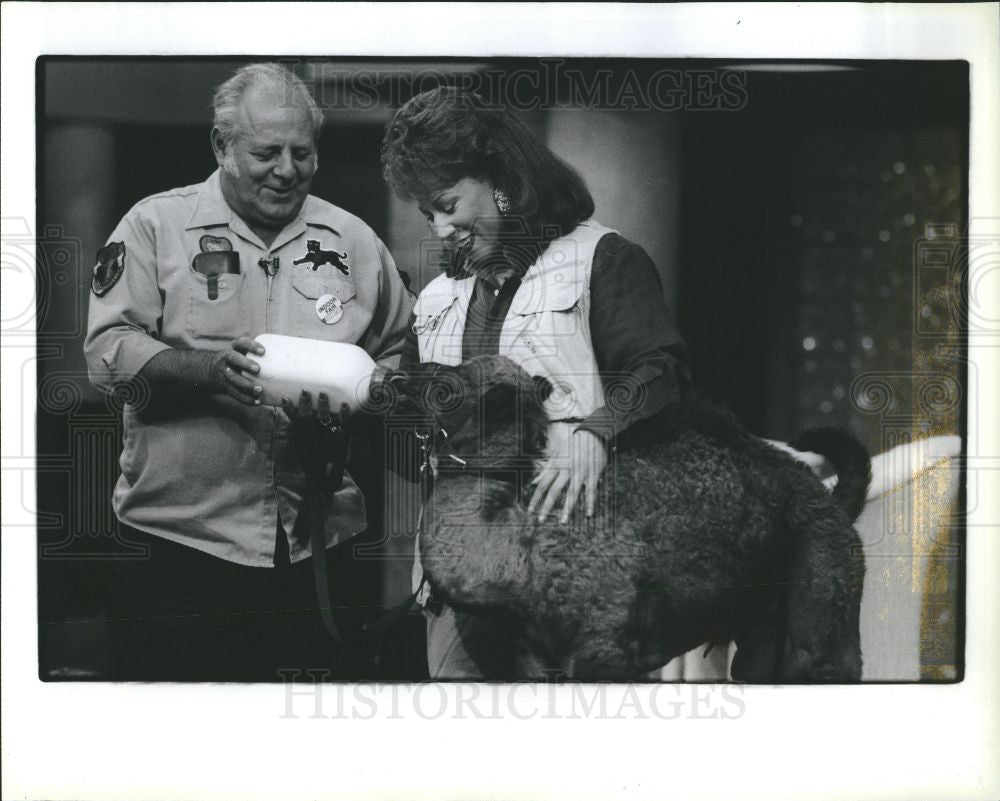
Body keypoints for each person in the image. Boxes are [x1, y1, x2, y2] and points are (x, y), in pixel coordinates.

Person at [84, 63, 413, 680]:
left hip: (320, 549)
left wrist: (370, 397)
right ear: (222, 146)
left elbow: (400, 349)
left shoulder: (355, 240)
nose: (286, 170)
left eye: (302, 152)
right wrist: (206, 369)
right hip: (178, 552)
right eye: (266, 152)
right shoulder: (156, 226)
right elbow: (107, 351)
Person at [379, 87, 693, 679]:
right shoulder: (440, 300)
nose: (441, 228)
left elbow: (662, 374)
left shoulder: (602, 259)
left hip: (577, 577)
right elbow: (412, 452)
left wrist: (598, 431)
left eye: (448, 204)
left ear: (501, 178)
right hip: (464, 587)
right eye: (428, 214)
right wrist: (353, 412)